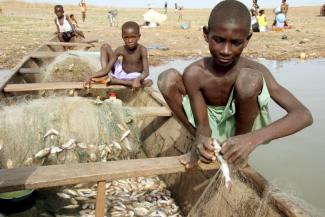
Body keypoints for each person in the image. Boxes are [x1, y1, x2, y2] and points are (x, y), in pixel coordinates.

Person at [157, 0, 313, 169]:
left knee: (249, 80)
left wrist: (252, 139)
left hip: (243, 130)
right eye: (219, 40)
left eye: (236, 42)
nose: (225, 50)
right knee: (167, 79)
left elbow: (303, 115)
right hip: (204, 124)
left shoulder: (254, 69)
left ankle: (237, 151)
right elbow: (203, 125)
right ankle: (201, 145)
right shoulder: (195, 73)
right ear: (206, 34)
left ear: (247, 40)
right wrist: (201, 137)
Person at [84, 21, 153, 89]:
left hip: (136, 76)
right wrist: (90, 76)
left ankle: (115, 81)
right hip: (121, 74)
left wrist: (138, 79)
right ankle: (108, 77)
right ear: (122, 37)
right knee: (105, 46)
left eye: (133, 37)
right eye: (126, 37)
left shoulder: (142, 49)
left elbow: (146, 72)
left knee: (149, 82)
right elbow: (106, 69)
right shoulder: (120, 49)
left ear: (138, 37)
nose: (130, 40)